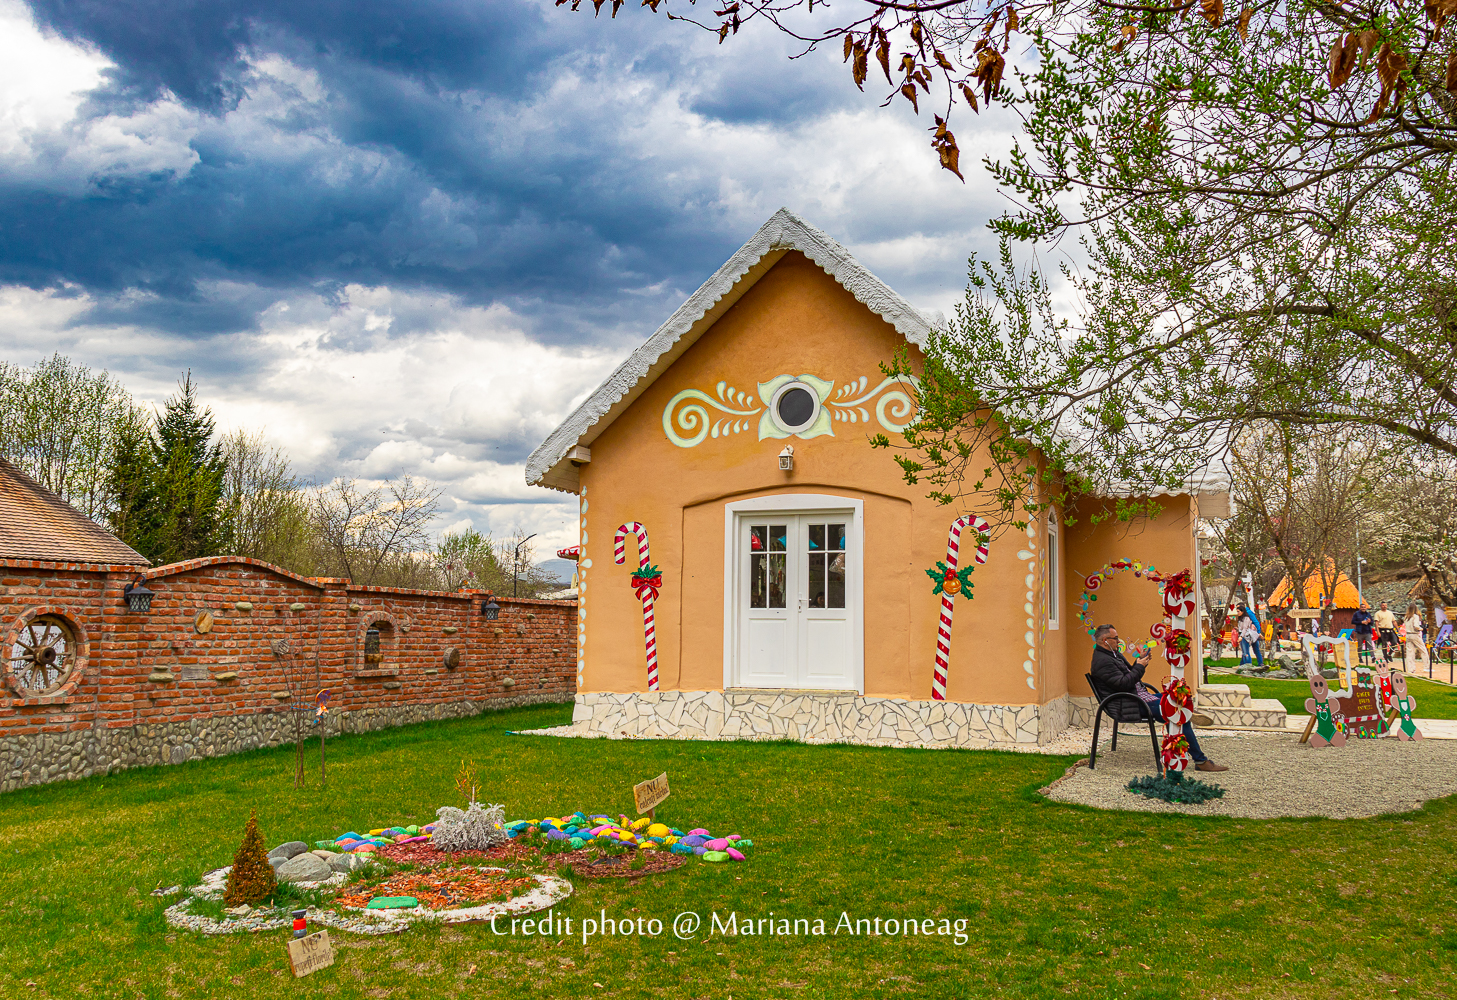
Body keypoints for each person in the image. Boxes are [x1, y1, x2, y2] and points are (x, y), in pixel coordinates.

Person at [1090, 623, 1228, 772]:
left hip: (1137, 697)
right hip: (1128, 703)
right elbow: (1124, 683)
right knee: (1176, 713)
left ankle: (1185, 716)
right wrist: (1140, 667)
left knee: (1173, 698)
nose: (1118, 641)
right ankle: (1200, 761)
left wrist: (1140, 661)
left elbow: (1127, 675)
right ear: (1105, 640)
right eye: (1115, 638)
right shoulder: (1102, 661)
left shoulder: (1112, 654)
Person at [1403, 603, 1428, 669]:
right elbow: (1416, 626)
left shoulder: (1406, 617)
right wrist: (1421, 628)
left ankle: (1410, 668)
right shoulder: (1415, 616)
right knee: (1423, 650)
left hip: (1408, 635)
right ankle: (1426, 666)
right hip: (1414, 634)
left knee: (1410, 653)